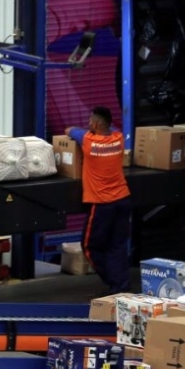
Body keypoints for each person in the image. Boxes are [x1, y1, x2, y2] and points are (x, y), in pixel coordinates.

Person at [65, 106, 132, 295]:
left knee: (90, 246)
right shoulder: (118, 139)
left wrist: (84, 131)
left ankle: (113, 282)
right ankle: (121, 286)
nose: (87, 124)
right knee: (117, 246)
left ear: (94, 124)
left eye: (89, 121)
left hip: (102, 204)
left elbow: (69, 131)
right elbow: (114, 129)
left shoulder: (88, 140)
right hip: (123, 199)